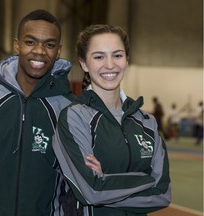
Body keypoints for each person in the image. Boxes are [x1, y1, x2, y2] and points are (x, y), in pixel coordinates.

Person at [0, 9, 75, 216]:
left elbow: (72, 180)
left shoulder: (69, 109)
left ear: (58, 51)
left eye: (49, 45)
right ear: (17, 46)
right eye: (30, 42)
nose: (39, 51)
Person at [53, 24, 171, 215]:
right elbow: (92, 191)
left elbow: (163, 193)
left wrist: (106, 180)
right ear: (84, 63)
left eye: (117, 55)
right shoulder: (75, 118)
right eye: (99, 56)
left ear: (126, 60)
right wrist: (146, 180)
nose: (110, 64)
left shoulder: (147, 122)